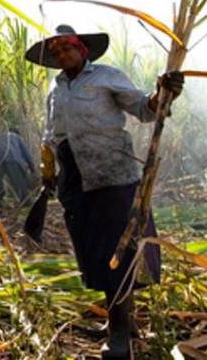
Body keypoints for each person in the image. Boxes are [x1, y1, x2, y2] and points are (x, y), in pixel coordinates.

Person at [26, 24, 184, 359]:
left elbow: (145, 109)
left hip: (113, 174)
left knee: (119, 251)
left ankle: (120, 334)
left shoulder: (106, 77)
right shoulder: (55, 90)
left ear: (82, 49)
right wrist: (48, 170)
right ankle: (121, 319)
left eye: (67, 48)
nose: (62, 55)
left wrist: (163, 92)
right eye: (56, 52)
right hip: (75, 182)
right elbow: (51, 134)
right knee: (94, 253)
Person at [0, 127, 37, 208]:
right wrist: (32, 168)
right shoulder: (17, 137)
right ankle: (26, 202)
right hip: (12, 160)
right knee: (18, 182)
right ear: (17, 133)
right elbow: (26, 153)